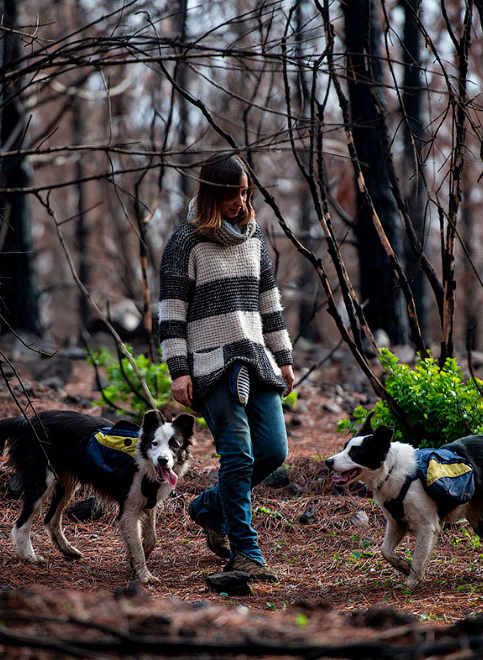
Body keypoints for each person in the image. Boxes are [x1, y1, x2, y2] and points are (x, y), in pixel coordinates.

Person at [158, 152, 295, 581]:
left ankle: (207, 508)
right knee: (237, 458)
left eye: (244, 191)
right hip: (211, 366)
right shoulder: (186, 243)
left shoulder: (255, 239)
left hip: (257, 359)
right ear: (213, 192)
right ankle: (246, 553)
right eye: (233, 192)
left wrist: (285, 357)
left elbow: (269, 305)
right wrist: (179, 369)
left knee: (273, 451)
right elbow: (171, 313)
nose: (241, 199)